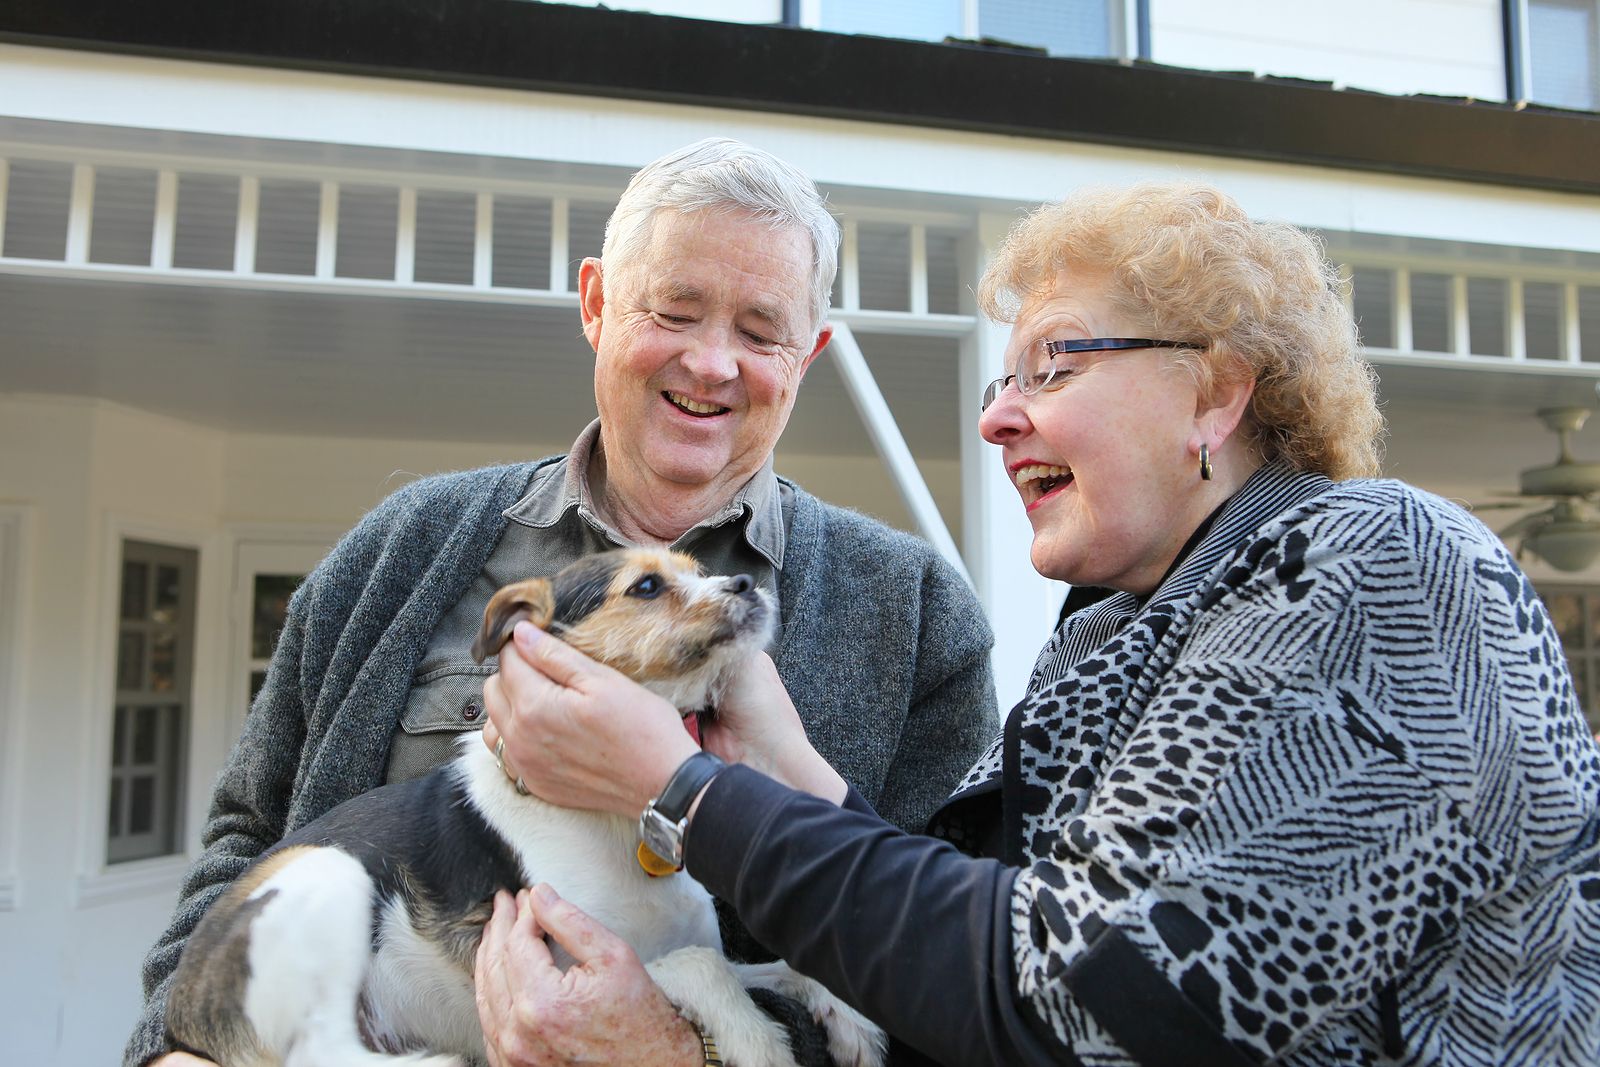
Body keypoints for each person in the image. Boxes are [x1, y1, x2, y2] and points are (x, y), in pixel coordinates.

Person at [483, 181, 1600, 1065]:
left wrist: (686, 794)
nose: (996, 416)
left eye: (1052, 363)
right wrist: (788, 776)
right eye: (1000, 378)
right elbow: (970, 971)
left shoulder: (1370, 564)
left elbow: (1098, 996)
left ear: (1214, 394)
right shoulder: (1111, 631)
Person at [126, 139, 999, 1067]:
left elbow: (959, 992)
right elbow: (249, 843)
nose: (711, 363)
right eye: (675, 309)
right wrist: (175, 1051)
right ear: (594, 303)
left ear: (808, 353)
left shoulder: (916, 612)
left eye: (759, 329)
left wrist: (672, 1048)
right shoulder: (402, 549)